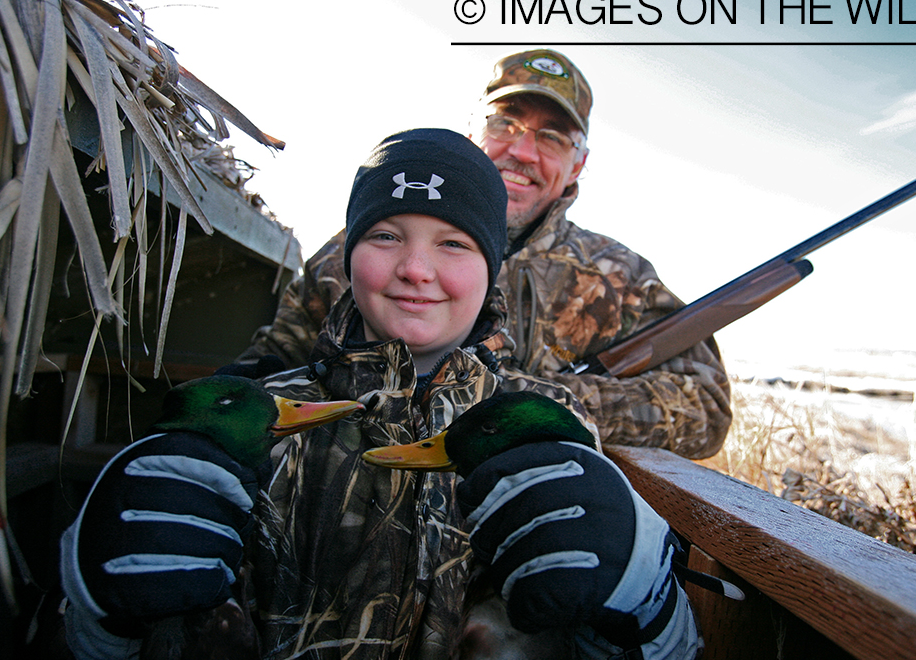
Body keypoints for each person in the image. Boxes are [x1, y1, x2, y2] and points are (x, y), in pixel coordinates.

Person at [60, 129, 701, 660]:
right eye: (387, 236)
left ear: (492, 267)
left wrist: (646, 605)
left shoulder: (547, 437)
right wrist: (96, 600)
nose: (416, 269)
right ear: (349, 252)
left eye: (454, 243)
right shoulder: (256, 422)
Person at [235, 49, 732, 461]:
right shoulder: (361, 245)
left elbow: (706, 409)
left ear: (579, 164)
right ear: (476, 131)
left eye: (552, 137)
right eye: (506, 123)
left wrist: (528, 400)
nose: (523, 150)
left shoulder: (619, 277)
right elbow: (270, 362)